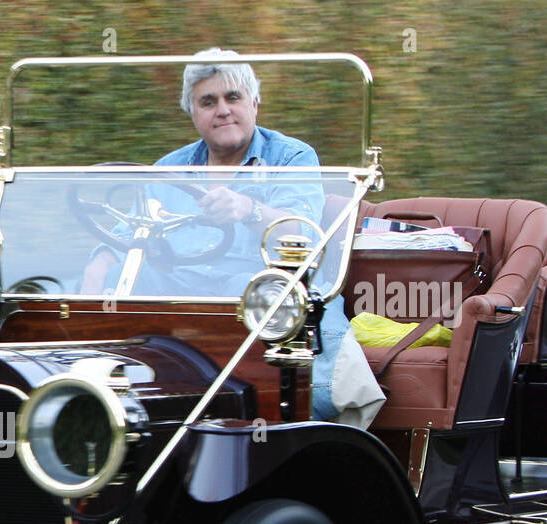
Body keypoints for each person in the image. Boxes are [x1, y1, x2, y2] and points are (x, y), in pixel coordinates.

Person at [80, 48, 357, 422]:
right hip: (182, 297)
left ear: (255, 103)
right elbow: (121, 238)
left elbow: (303, 236)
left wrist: (249, 210)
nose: (222, 110)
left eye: (233, 97)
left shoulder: (292, 157)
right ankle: (92, 404)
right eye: (208, 101)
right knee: (78, 291)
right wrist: (92, 289)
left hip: (263, 295)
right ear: (193, 113)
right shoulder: (169, 168)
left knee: (319, 392)